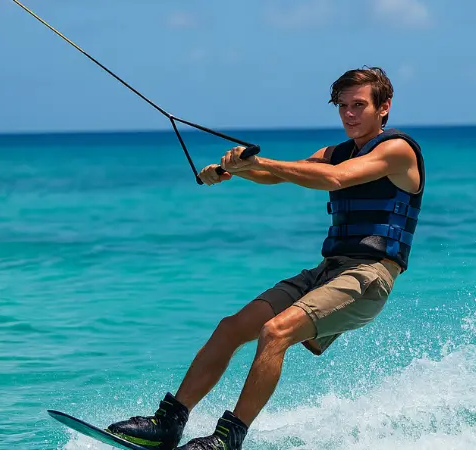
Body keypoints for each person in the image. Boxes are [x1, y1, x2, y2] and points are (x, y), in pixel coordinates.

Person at [107, 66, 425, 450]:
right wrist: (234, 169)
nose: (349, 114)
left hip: (369, 276)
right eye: (342, 106)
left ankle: (228, 439)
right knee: (232, 327)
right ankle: (169, 423)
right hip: (328, 271)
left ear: (384, 107)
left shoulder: (397, 150)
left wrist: (260, 163)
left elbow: (335, 178)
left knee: (276, 332)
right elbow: (281, 176)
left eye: (359, 105)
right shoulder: (334, 152)